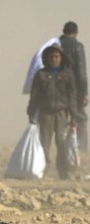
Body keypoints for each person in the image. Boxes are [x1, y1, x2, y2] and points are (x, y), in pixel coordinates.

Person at [27, 44, 78, 179]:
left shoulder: (67, 75)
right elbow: (35, 96)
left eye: (56, 56)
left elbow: (72, 96)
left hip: (62, 113)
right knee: (44, 142)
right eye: (51, 57)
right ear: (46, 58)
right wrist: (31, 113)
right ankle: (43, 170)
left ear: (61, 58)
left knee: (61, 142)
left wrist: (74, 117)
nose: (54, 59)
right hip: (45, 113)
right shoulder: (41, 74)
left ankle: (63, 172)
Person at [59, 21, 88, 154]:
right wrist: (85, 94)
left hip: (56, 88)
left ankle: (61, 147)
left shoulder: (55, 45)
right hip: (73, 88)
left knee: (60, 117)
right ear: (76, 33)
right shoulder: (77, 46)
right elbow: (81, 72)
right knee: (80, 117)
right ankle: (81, 148)